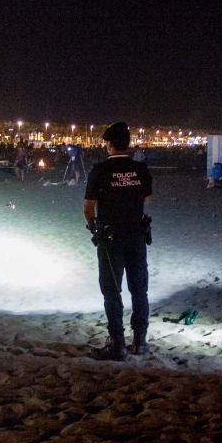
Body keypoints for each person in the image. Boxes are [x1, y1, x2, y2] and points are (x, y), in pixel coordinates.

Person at [83, 122, 154, 360]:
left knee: (112, 291)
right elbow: (147, 198)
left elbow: (88, 207)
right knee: (139, 289)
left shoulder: (100, 170)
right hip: (136, 236)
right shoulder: (140, 169)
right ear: (129, 144)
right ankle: (140, 342)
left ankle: (118, 344)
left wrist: (94, 226)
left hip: (111, 237)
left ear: (110, 144)